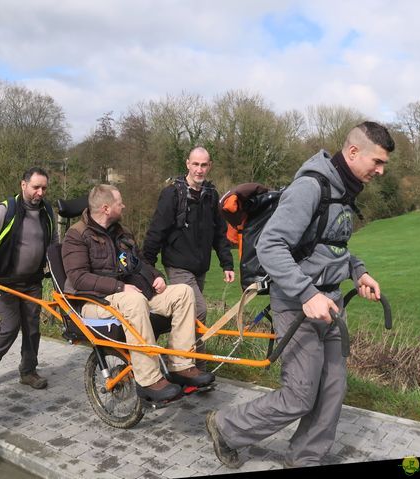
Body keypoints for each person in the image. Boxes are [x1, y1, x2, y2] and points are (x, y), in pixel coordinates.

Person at [205, 121, 394, 469]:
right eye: (377, 162)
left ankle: (306, 458)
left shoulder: (345, 191)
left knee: (333, 388)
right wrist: (307, 293)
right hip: (298, 303)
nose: (381, 171)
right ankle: (226, 426)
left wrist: (359, 271)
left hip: (331, 303)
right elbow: (270, 246)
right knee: (300, 395)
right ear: (353, 153)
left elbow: (333, 245)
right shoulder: (310, 187)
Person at [61, 184, 215, 402]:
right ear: (106, 208)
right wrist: (120, 288)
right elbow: (78, 278)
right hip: (95, 301)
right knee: (133, 300)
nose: (123, 206)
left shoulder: (121, 232)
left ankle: (180, 365)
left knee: (183, 292)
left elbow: (140, 262)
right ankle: (149, 379)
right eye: (119, 203)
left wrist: (157, 277)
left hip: (133, 295)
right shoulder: (76, 236)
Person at [143, 146, 235, 370]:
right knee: (198, 309)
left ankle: (182, 360)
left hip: (200, 268)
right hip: (177, 265)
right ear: (187, 164)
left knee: (187, 316)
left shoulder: (211, 195)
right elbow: (157, 230)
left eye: (204, 165)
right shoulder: (172, 194)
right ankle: (187, 365)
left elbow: (219, 233)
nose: (199, 169)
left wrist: (226, 263)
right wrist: (146, 265)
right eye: (195, 164)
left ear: (209, 166)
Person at [0, 167, 57, 389]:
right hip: (5, 282)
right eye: (35, 187)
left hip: (32, 283)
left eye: (44, 188)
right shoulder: (4, 211)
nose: (40, 192)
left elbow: (53, 244)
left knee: (32, 329)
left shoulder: (47, 212)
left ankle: (28, 371)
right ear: (23, 185)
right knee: (10, 326)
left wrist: (56, 269)